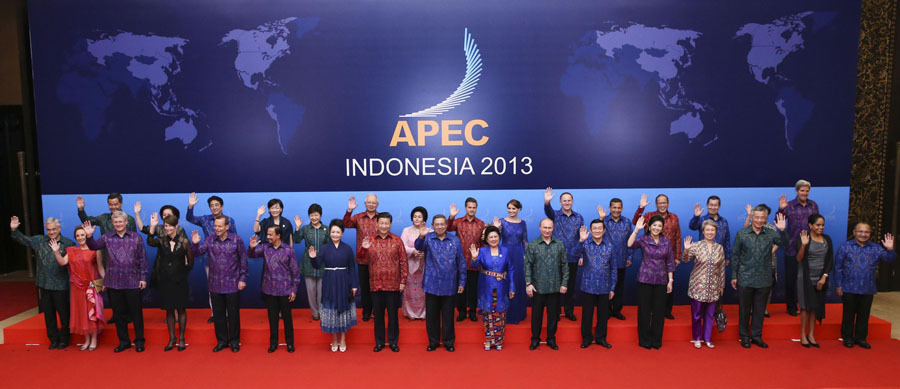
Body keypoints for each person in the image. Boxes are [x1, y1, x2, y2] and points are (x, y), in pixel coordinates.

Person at [84, 211, 148, 353]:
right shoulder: (106, 237)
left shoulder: (136, 237)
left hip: (133, 281)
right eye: (116, 222)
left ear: (126, 222)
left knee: (136, 314)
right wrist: (89, 236)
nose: (118, 224)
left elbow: (142, 259)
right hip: (114, 282)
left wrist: (143, 278)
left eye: (120, 221)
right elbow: (93, 246)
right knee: (119, 315)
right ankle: (124, 342)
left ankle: (139, 342)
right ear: (113, 223)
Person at [10, 216, 75, 349]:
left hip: (60, 285)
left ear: (59, 228)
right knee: (48, 314)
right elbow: (24, 240)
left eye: (54, 229)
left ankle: (64, 339)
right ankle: (53, 339)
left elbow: (74, 263)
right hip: (43, 284)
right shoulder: (40, 240)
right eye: (49, 230)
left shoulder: (68, 243)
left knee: (64, 314)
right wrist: (14, 230)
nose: (51, 232)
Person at [190, 215, 248, 353]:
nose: (217, 228)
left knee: (233, 315)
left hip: (233, 283)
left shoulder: (237, 240)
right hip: (215, 283)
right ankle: (222, 341)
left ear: (227, 227)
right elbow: (197, 253)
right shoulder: (209, 240)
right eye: (215, 226)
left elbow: (243, 260)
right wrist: (195, 244)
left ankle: (234, 341)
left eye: (220, 226)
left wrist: (243, 279)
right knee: (218, 315)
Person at [732, 207, 788, 349]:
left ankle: (756, 336)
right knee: (744, 310)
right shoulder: (742, 234)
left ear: (766, 219)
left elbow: (785, 244)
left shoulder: (771, 233)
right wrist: (734, 276)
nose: (759, 220)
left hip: (764, 278)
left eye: (762, 217)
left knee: (760, 309)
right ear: (751, 217)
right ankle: (744, 336)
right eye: (756, 217)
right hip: (745, 277)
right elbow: (735, 256)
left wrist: (783, 231)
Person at [76, 193, 135, 326]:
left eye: (115, 204)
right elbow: (87, 221)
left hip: (125, 260)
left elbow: (134, 238)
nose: (113, 207)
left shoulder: (129, 219)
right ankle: (116, 314)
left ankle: (128, 314)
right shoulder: (103, 218)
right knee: (110, 287)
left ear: (121, 204)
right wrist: (81, 210)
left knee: (126, 287)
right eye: (110, 204)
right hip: (107, 257)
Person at [834, 222, 896, 348]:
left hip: (868, 287)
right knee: (848, 315)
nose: (863, 234)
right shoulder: (845, 247)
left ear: (870, 233)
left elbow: (889, 260)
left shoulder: (876, 248)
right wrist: (838, 285)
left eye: (866, 232)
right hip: (848, 287)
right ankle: (848, 338)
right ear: (854, 232)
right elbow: (838, 267)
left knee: (864, 315)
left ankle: (861, 339)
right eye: (860, 231)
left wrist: (890, 249)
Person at [415, 214, 466, 352]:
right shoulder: (428, 238)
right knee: (432, 316)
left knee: (448, 315)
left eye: (442, 224)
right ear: (433, 225)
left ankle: (449, 342)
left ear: (446, 225)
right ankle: (433, 342)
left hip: (450, 284)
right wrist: (421, 236)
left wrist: (462, 282)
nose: (439, 227)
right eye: (437, 224)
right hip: (431, 283)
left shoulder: (454, 240)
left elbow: (461, 262)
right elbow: (418, 246)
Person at [50, 225, 104, 351]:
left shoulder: (95, 250)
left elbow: (100, 268)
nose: (80, 237)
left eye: (82, 235)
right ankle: (86, 339)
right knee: (81, 313)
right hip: (76, 287)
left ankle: (94, 339)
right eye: (78, 236)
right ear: (75, 238)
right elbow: (63, 262)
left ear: (86, 235)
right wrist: (56, 252)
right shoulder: (71, 250)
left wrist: (104, 282)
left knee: (92, 312)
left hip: (91, 285)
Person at [309, 219, 359, 352]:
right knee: (331, 309)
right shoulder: (324, 248)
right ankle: (334, 339)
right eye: (333, 232)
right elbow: (317, 265)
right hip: (329, 281)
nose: (335, 234)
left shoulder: (347, 249)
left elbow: (352, 268)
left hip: (344, 281)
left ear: (342, 233)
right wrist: (313, 257)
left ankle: (343, 339)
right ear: (329, 233)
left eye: (338, 232)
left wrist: (354, 285)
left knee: (343, 309)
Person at [186, 193, 237, 323]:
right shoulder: (204, 219)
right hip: (210, 259)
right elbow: (190, 218)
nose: (214, 207)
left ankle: (228, 314)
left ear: (222, 206)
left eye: (216, 205)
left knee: (228, 287)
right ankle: (216, 313)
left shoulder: (229, 220)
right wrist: (190, 206)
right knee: (212, 287)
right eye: (212, 205)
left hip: (228, 260)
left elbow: (235, 239)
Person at [360, 212, 408, 352]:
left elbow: (403, 261)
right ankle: (379, 342)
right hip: (376, 284)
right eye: (381, 223)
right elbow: (361, 259)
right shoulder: (369, 240)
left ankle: (393, 342)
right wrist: (363, 249)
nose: (384, 226)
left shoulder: (397, 240)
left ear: (390, 224)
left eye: (386, 223)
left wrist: (403, 280)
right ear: (377, 224)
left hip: (393, 285)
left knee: (393, 315)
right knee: (378, 316)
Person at [249, 225, 300, 353]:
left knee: (287, 318)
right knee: (272, 318)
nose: (268, 237)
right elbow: (252, 255)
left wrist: (294, 289)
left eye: (270, 234)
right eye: (267, 234)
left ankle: (290, 343)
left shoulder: (288, 250)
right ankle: (273, 343)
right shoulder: (265, 248)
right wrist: (251, 247)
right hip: (269, 289)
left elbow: (295, 271)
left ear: (278, 235)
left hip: (285, 289)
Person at [147, 214, 193, 351]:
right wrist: (153, 226)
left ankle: (182, 338)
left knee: (181, 309)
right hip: (165, 281)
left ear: (176, 226)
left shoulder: (184, 241)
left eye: (170, 226)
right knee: (169, 310)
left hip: (180, 282)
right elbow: (150, 241)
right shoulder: (161, 241)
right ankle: (172, 338)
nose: (167, 228)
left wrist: (180, 271)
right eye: (165, 226)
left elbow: (190, 262)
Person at [628, 215, 675, 349]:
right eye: (654, 225)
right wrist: (636, 230)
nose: (656, 228)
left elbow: (670, 262)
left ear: (662, 228)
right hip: (645, 279)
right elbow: (629, 245)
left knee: (659, 311)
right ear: (649, 227)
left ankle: (656, 340)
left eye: (659, 226)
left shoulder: (666, 241)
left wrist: (670, 280)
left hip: (661, 280)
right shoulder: (643, 239)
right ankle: (644, 340)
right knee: (644, 310)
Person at [633, 193, 681, 320]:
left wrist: (677, 256)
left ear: (668, 204)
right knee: (650, 291)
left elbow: (677, 236)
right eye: (660, 203)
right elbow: (635, 222)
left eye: (664, 202)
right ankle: (650, 311)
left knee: (668, 285)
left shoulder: (674, 217)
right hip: (651, 256)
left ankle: (666, 311)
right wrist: (641, 208)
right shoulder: (649, 216)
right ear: (656, 204)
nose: (662, 205)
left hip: (668, 256)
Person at [524, 218, 568, 350]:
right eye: (545, 227)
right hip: (537, 287)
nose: (547, 230)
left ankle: (551, 339)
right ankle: (535, 339)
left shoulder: (559, 244)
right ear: (540, 228)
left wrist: (564, 283)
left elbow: (565, 265)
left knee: (553, 316)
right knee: (536, 316)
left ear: (553, 228)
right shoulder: (533, 245)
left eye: (549, 228)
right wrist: (528, 283)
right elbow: (527, 265)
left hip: (555, 286)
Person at [776, 179, 819, 316]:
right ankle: (791, 306)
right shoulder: (789, 205)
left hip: (810, 247)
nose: (804, 193)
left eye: (807, 191)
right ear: (796, 191)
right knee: (791, 279)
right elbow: (778, 222)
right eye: (802, 190)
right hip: (792, 248)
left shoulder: (813, 205)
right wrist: (781, 209)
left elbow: (817, 224)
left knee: (808, 278)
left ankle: (807, 304)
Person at [682, 220, 726, 349]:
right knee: (696, 314)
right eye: (707, 230)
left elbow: (722, 268)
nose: (710, 232)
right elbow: (685, 260)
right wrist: (686, 250)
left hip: (714, 286)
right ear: (703, 231)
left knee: (710, 314)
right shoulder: (696, 246)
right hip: (698, 285)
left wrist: (721, 285)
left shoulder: (719, 248)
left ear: (716, 232)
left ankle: (707, 339)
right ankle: (697, 338)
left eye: (712, 230)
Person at [543, 187, 584, 321]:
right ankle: (555, 312)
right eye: (564, 200)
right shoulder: (555, 215)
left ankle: (568, 311)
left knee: (570, 286)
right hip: (556, 257)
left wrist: (581, 255)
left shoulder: (579, 217)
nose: (567, 203)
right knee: (555, 286)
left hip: (573, 256)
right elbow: (548, 210)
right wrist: (547, 202)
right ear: (560, 202)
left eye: (569, 200)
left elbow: (582, 237)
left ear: (572, 201)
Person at [470, 226, 514, 351]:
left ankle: (499, 341)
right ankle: (488, 340)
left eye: (495, 236)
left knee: (500, 314)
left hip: (502, 287)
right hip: (486, 286)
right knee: (487, 314)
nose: (493, 239)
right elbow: (474, 266)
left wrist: (512, 287)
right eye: (491, 237)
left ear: (499, 237)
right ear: (486, 239)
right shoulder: (482, 251)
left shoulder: (505, 251)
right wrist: (474, 258)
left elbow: (511, 269)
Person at [575, 220, 615, 349]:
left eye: (599, 228)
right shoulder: (585, 244)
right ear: (591, 231)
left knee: (603, 315)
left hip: (605, 286)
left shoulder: (610, 246)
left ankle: (601, 338)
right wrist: (580, 241)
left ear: (604, 231)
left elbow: (614, 268)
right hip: (588, 285)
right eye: (594, 228)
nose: (597, 231)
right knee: (587, 314)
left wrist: (612, 288)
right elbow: (573, 255)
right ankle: (586, 338)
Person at [795, 214, 833, 348]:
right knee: (805, 307)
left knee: (815, 308)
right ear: (810, 225)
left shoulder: (827, 239)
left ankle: (811, 334)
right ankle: (802, 335)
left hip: (820, 278)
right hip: (805, 278)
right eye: (818, 225)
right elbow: (798, 259)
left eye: (822, 225)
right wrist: (803, 245)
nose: (821, 227)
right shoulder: (803, 237)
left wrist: (824, 277)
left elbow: (830, 260)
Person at [448, 198, 486, 322]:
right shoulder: (458, 222)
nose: (472, 209)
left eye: (474, 207)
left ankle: (473, 311)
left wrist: (481, 258)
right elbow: (448, 228)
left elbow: (483, 243)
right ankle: (462, 311)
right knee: (461, 288)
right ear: (465, 208)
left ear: (476, 208)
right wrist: (451, 217)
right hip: (459, 261)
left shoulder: (481, 224)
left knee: (473, 289)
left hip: (474, 261)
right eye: (469, 207)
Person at [343, 194, 380, 321]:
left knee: (377, 287)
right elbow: (345, 224)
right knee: (365, 287)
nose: (371, 204)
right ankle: (366, 311)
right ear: (365, 204)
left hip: (379, 259)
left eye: (373, 202)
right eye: (369, 202)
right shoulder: (358, 217)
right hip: (363, 258)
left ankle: (377, 310)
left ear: (377, 204)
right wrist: (349, 210)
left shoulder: (381, 218)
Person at [597, 198, 634, 320]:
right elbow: (596, 233)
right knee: (605, 286)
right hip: (605, 261)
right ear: (610, 208)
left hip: (621, 259)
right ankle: (606, 310)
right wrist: (601, 219)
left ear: (622, 209)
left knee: (619, 287)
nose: (616, 210)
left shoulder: (627, 222)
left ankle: (617, 310)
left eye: (619, 208)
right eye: (614, 207)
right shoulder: (604, 220)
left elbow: (630, 240)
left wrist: (629, 256)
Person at [493, 199, 528, 324]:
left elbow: (525, 241)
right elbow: (495, 239)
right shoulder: (501, 221)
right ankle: (504, 312)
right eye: (509, 208)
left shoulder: (523, 223)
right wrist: (496, 228)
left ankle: (518, 312)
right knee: (505, 281)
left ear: (519, 209)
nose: (511, 210)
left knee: (517, 281)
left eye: (514, 208)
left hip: (518, 255)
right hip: (505, 253)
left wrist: (527, 257)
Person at [293, 204, 328, 321]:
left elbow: (330, 245)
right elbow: (296, 240)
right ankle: (315, 312)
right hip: (308, 262)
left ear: (320, 215)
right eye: (312, 215)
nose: (314, 218)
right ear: (309, 216)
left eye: (316, 215)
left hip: (323, 263)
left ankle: (322, 311)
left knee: (322, 290)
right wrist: (297, 228)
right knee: (311, 290)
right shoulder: (305, 229)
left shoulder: (326, 229)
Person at [400, 206, 430, 320]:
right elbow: (402, 246)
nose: (417, 219)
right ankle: (410, 313)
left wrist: (425, 253)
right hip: (410, 265)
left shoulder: (429, 231)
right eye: (415, 216)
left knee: (423, 291)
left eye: (419, 217)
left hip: (425, 266)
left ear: (424, 218)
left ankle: (423, 313)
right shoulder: (406, 230)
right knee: (410, 290)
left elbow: (433, 248)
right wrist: (413, 251)